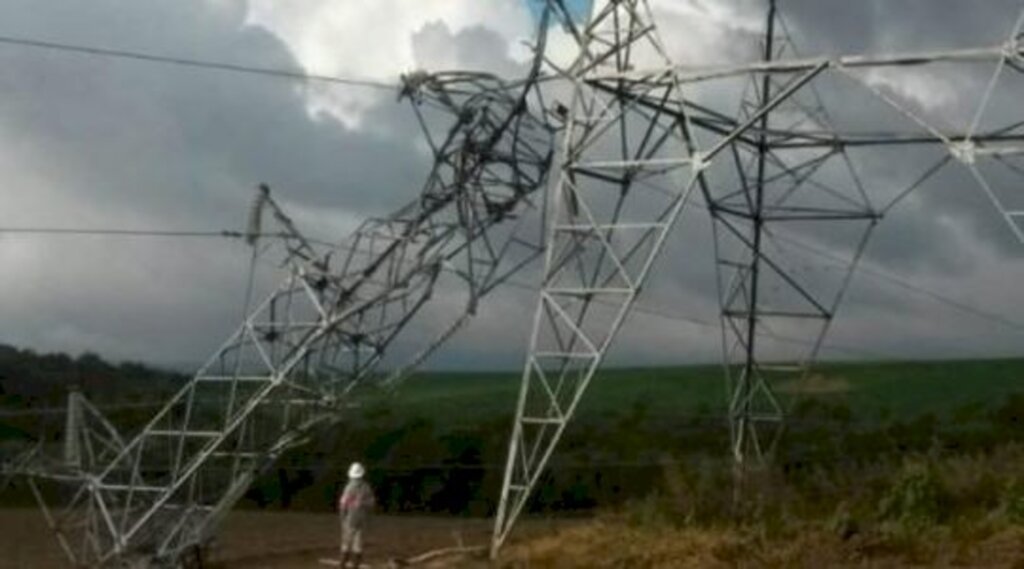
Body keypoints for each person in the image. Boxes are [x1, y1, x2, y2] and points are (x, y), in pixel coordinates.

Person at [338, 461, 375, 568]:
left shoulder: (349, 487)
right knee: (357, 546)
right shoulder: (366, 487)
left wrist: (342, 519)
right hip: (361, 520)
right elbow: (371, 502)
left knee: (346, 544)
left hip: (350, 520)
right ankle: (354, 566)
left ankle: (343, 565)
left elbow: (343, 505)